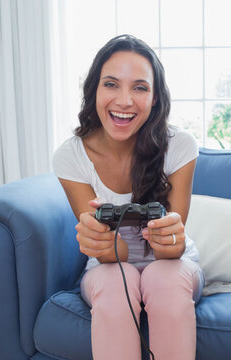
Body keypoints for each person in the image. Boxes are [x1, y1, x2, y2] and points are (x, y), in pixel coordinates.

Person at [52, 34, 204, 360]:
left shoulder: (180, 145)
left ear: (155, 99)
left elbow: (172, 248)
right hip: (109, 266)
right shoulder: (71, 156)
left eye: (139, 87)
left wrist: (170, 238)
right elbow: (112, 255)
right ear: (94, 89)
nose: (124, 100)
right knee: (114, 283)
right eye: (111, 84)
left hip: (171, 263)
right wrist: (103, 244)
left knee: (164, 278)